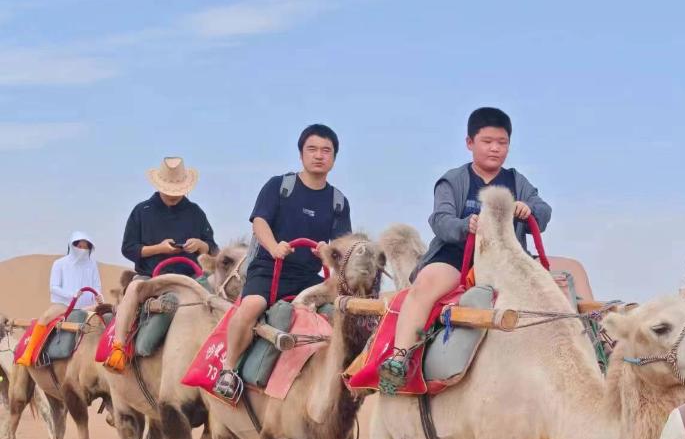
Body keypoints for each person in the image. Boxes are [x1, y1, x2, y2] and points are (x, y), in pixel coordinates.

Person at [377, 107, 551, 393]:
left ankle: (592, 344)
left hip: (506, 258)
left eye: (502, 142)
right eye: (487, 141)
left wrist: (529, 209)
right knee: (425, 286)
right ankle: (400, 356)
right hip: (457, 256)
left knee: (570, 272)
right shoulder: (454, 180)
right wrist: (464, 225)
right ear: (470, 143)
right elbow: (440, 220)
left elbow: (544, 212)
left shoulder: (517, 182)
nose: (495, 148)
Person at [212, 124, 351, 402]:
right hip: (268, 270)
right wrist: (274, 247)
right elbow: (259, 221)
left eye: (326, 151)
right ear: (301, 154)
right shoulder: (279, 186)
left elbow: (341, 246)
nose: (319, 155)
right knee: (251, 306)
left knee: (342, 315)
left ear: (334, 158)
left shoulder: (338, 202)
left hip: (308, 278)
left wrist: (328, 251)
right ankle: (229, 369)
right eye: (312, 149)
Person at [104, 156, 218, 372]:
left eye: (178, 191)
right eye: (170, 190)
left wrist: (201, 245)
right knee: (133, 289)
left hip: (189, 279)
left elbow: (213, 249)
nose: (174, 195)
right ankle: (118, 347)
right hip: (151, 277)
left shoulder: (195, 212)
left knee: (217, 295)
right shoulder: (142, 211)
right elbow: (128, 248)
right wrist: (159, 248)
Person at [15, 231, 104, 367]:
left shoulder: (92, 265)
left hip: (88, 305)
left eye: (86, 247)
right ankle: (28, 353)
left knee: (108, 317)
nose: (82, 250)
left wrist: (99, 296)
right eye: (80, 246)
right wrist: (71, 295)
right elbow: (54, 287)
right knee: (45, 318)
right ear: (72, 246)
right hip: (65, 304)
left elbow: (97, 286)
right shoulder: (60, 264)